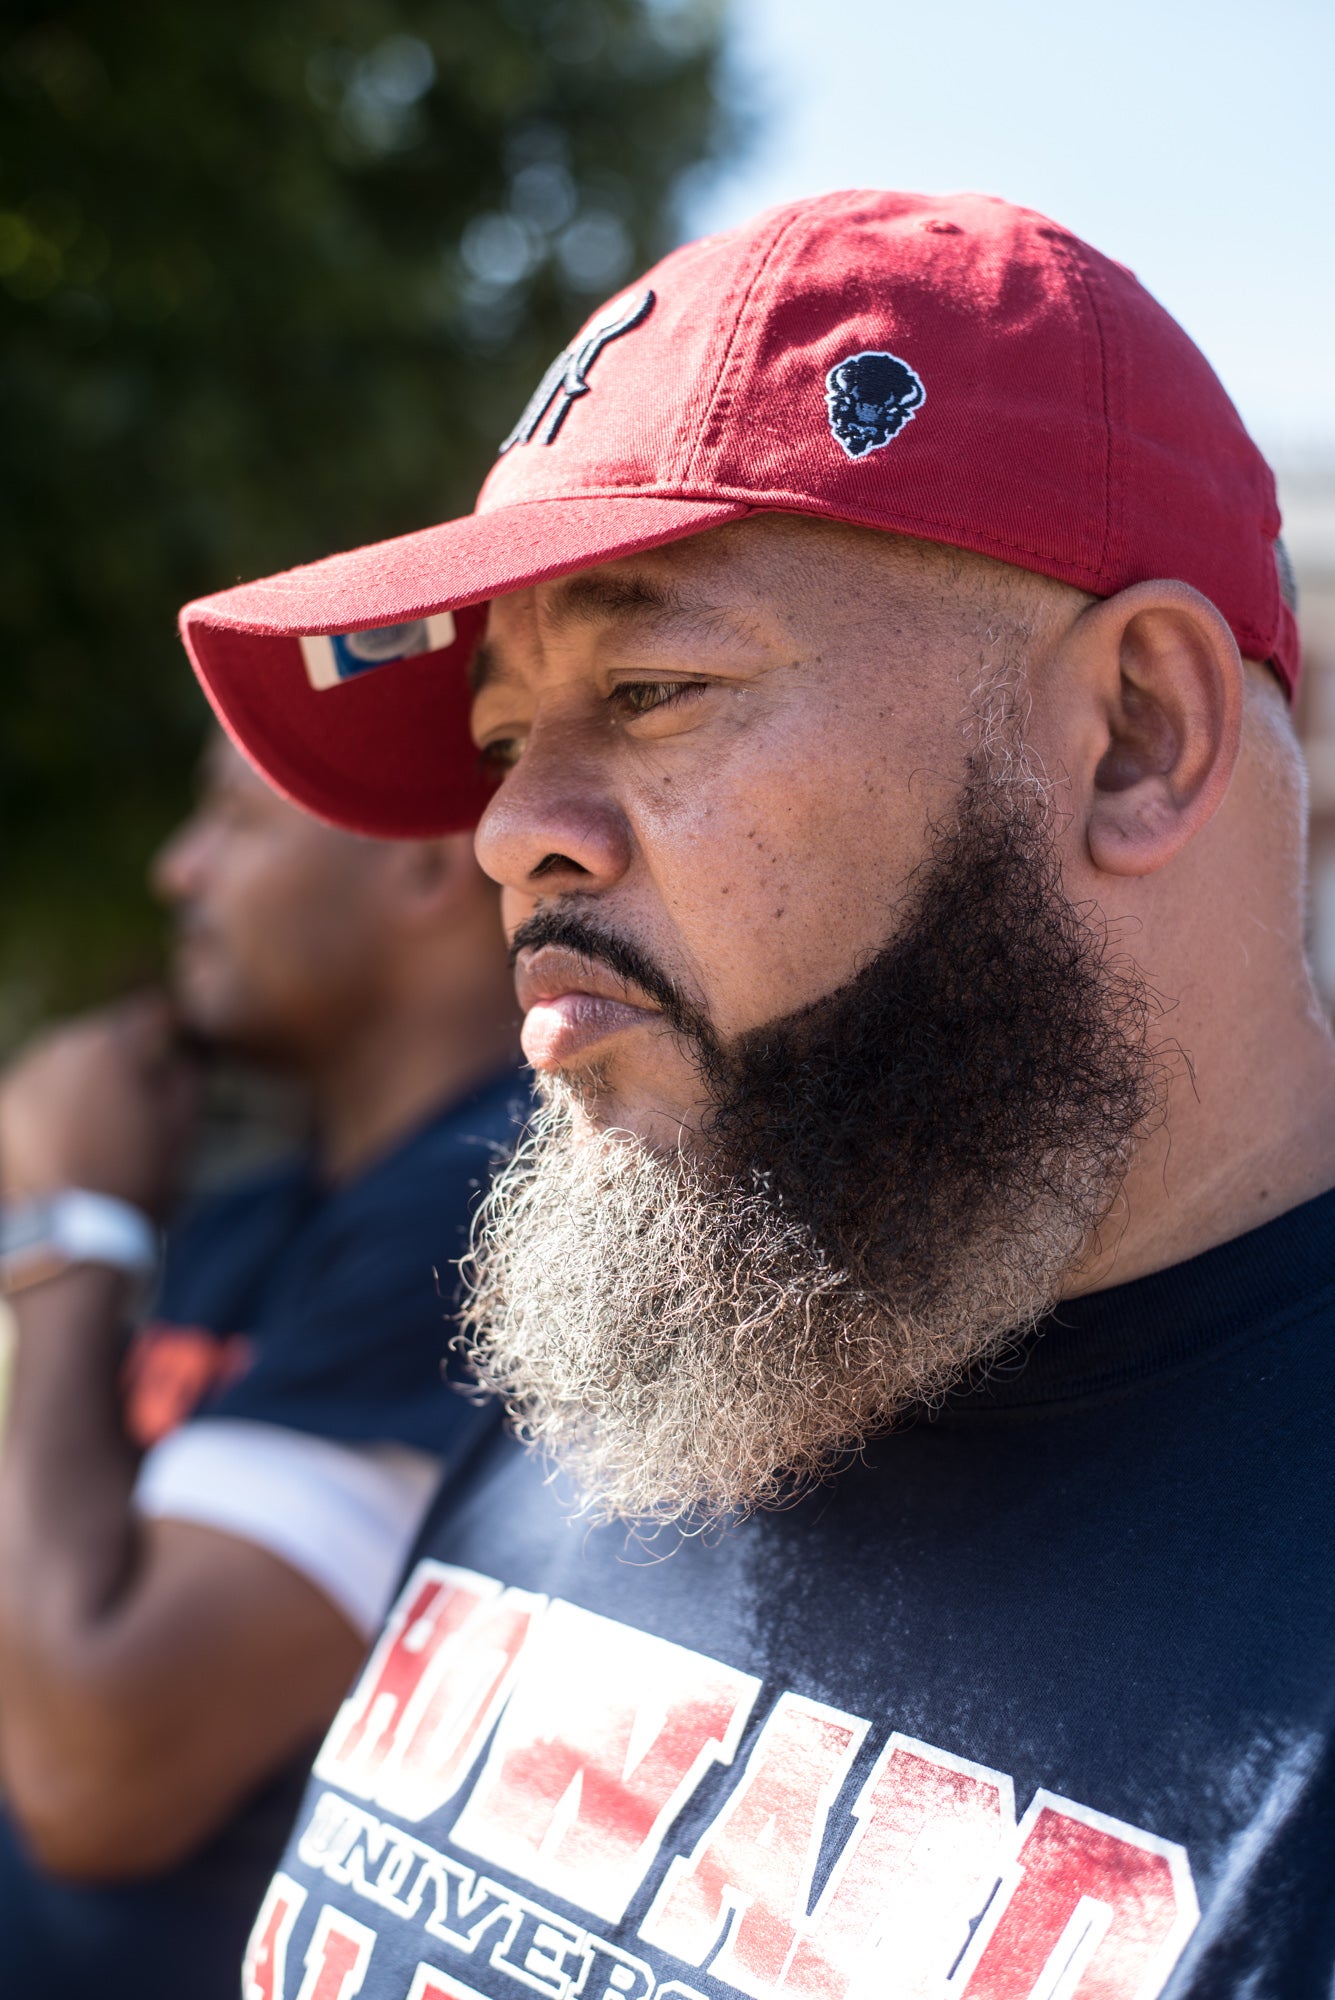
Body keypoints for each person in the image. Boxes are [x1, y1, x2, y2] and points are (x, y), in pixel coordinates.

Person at [182, 192, 1335, 2000]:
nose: (505, 831)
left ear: (1136, 738)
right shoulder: (635, 1357)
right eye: (501, 738)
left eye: (651, 688)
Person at [0, 733, 521, 1997]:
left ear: (424, 867)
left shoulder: (489, 1213)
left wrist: (69, 1241)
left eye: (237, 820)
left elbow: (95, 1771)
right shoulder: (248, 1213)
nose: (179, 872)